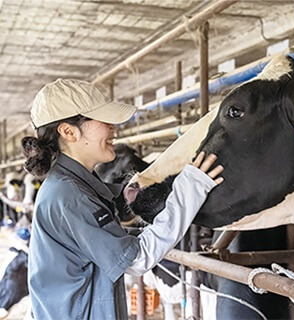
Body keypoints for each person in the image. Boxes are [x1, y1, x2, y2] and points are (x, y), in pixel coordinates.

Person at [22, 78, 224, 320]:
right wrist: (191, 188)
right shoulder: (70, 196)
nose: (113, 128)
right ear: (69, 132)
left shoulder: (71, 186)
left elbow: (111, 244)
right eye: (103, 120)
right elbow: (137, 259)